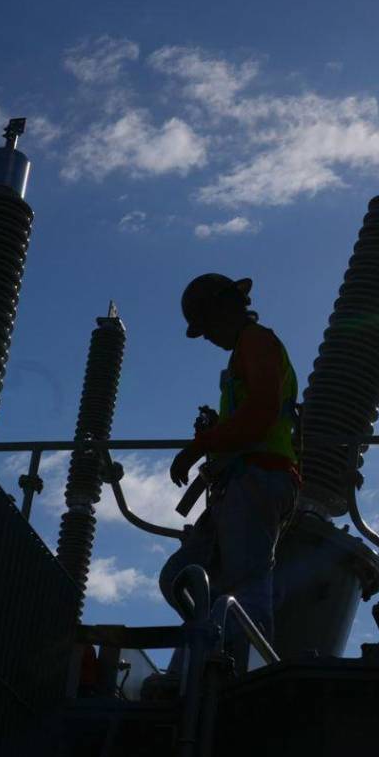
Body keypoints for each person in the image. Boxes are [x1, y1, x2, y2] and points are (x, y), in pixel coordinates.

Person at [159, 273, 299, 658]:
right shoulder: (245, 351)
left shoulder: (257, 342)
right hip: (241, 483)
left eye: (206, 327)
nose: (206, 338)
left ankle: (248, 680)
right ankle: (207, 662)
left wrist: (200, 446)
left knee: (248, 589)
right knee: (179, 577)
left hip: (258, 478)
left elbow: (260, 415)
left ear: (223, 311)